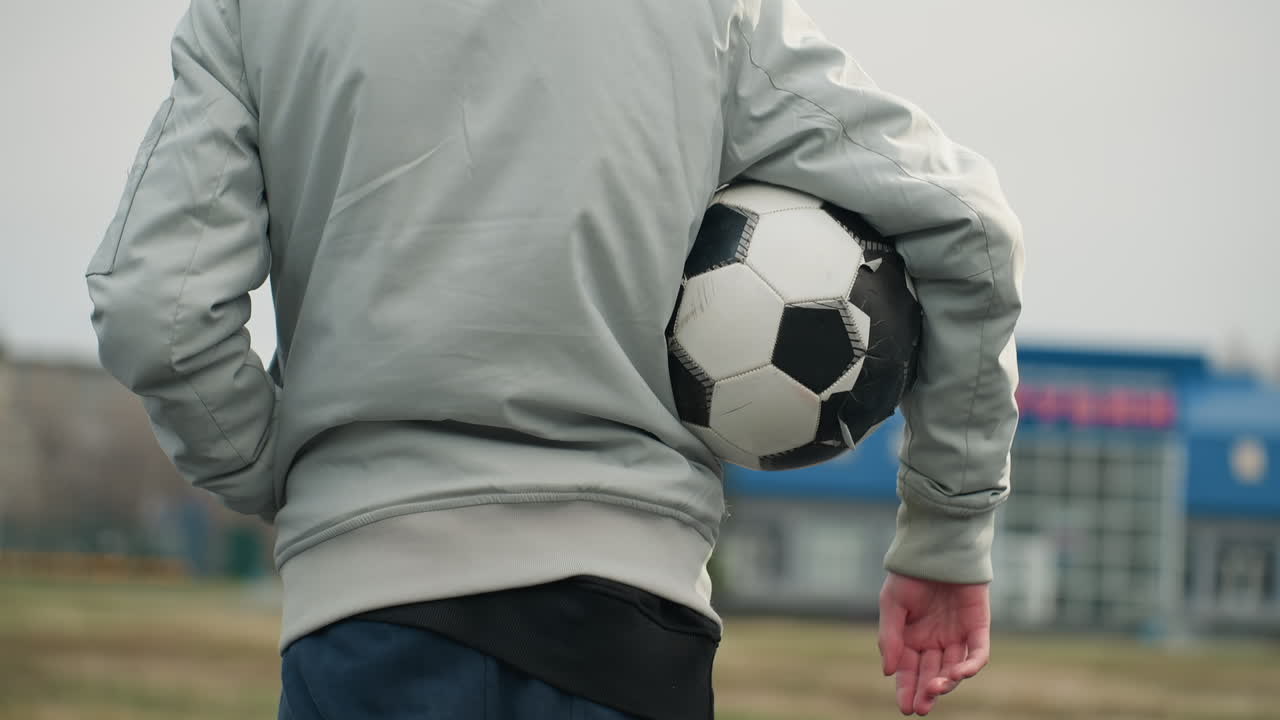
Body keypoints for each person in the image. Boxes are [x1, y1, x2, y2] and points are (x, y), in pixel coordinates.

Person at [85, 0, 1023, 717]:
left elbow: (153, 310)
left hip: (363, 629)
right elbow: (966, 226)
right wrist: (945, 531)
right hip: (629, 635)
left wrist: (275, 474)